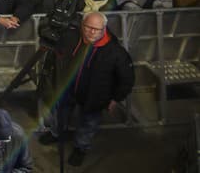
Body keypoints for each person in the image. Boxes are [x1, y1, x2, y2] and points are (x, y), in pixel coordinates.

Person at [39, 12, 135, 167]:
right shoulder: (70, 38)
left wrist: (116, 98)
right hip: (67, 89)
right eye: (88, 27)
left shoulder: (115, 52)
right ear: (81, 26)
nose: (92, 32)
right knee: (59, 114)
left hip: (95, 95)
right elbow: (56, 53)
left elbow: (127, 79)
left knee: (88, 123)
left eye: (97, 29)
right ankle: (56, 133)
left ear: (104, 29)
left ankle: (81, 148)